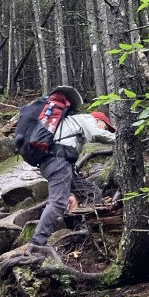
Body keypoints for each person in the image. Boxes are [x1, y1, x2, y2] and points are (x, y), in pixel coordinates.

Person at [30, 89, 115, 250]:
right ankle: (37, 243)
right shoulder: (87, 118)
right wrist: (121, 138)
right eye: (106, 127)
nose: (106, 130)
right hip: (58, 162)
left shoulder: (72, 124)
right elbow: (96, 134)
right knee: (57, 201)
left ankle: (87, 228)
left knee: (92, 192)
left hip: (56, 163)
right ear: (98, 120)